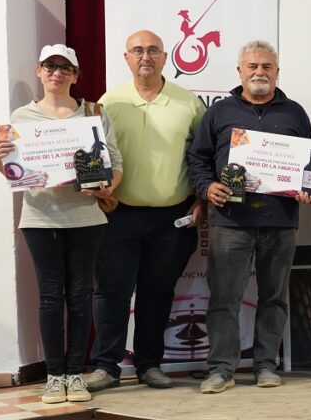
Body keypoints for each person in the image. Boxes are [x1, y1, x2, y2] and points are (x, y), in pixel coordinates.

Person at [186, 40, 311, 393]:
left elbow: (309, 163)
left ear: (277, 71)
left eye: (266, 67)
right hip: (230, 221)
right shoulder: (218, 112)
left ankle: (265, 365)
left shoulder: (295, 113)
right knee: (224, 298)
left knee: (274, 297)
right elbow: (197, 159)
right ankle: (220, 369)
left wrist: (307, 187)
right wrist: (207, 186)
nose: (260, 72)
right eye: (253, 66)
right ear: (240, 71)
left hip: (280, 221)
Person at [0, 45, 122, 404]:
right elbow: (15, 174)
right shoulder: (21, 117)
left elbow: (114, 160)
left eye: (66, 68)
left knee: (80, 294)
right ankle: (54, 375)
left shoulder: (94, 113)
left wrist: (106, 187)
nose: (57, 73)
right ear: (39, 71)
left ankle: (75, 375)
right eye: (51, 66)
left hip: (86, 215)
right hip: (39, 216)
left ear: (76, 75)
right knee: (51, 295)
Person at [87, 30, 205, 391]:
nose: (145, 56)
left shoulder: (189, 103)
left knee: (158, 292)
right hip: (117, 214)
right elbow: (96, 154)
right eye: (137, 50)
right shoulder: (109, 101)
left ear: (165, 57)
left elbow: (203, 157)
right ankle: (107, 366)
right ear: (126, 58)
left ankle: (149, 365)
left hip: (174, 217)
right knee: (111, 292)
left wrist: (201, 199)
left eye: (153, 50)